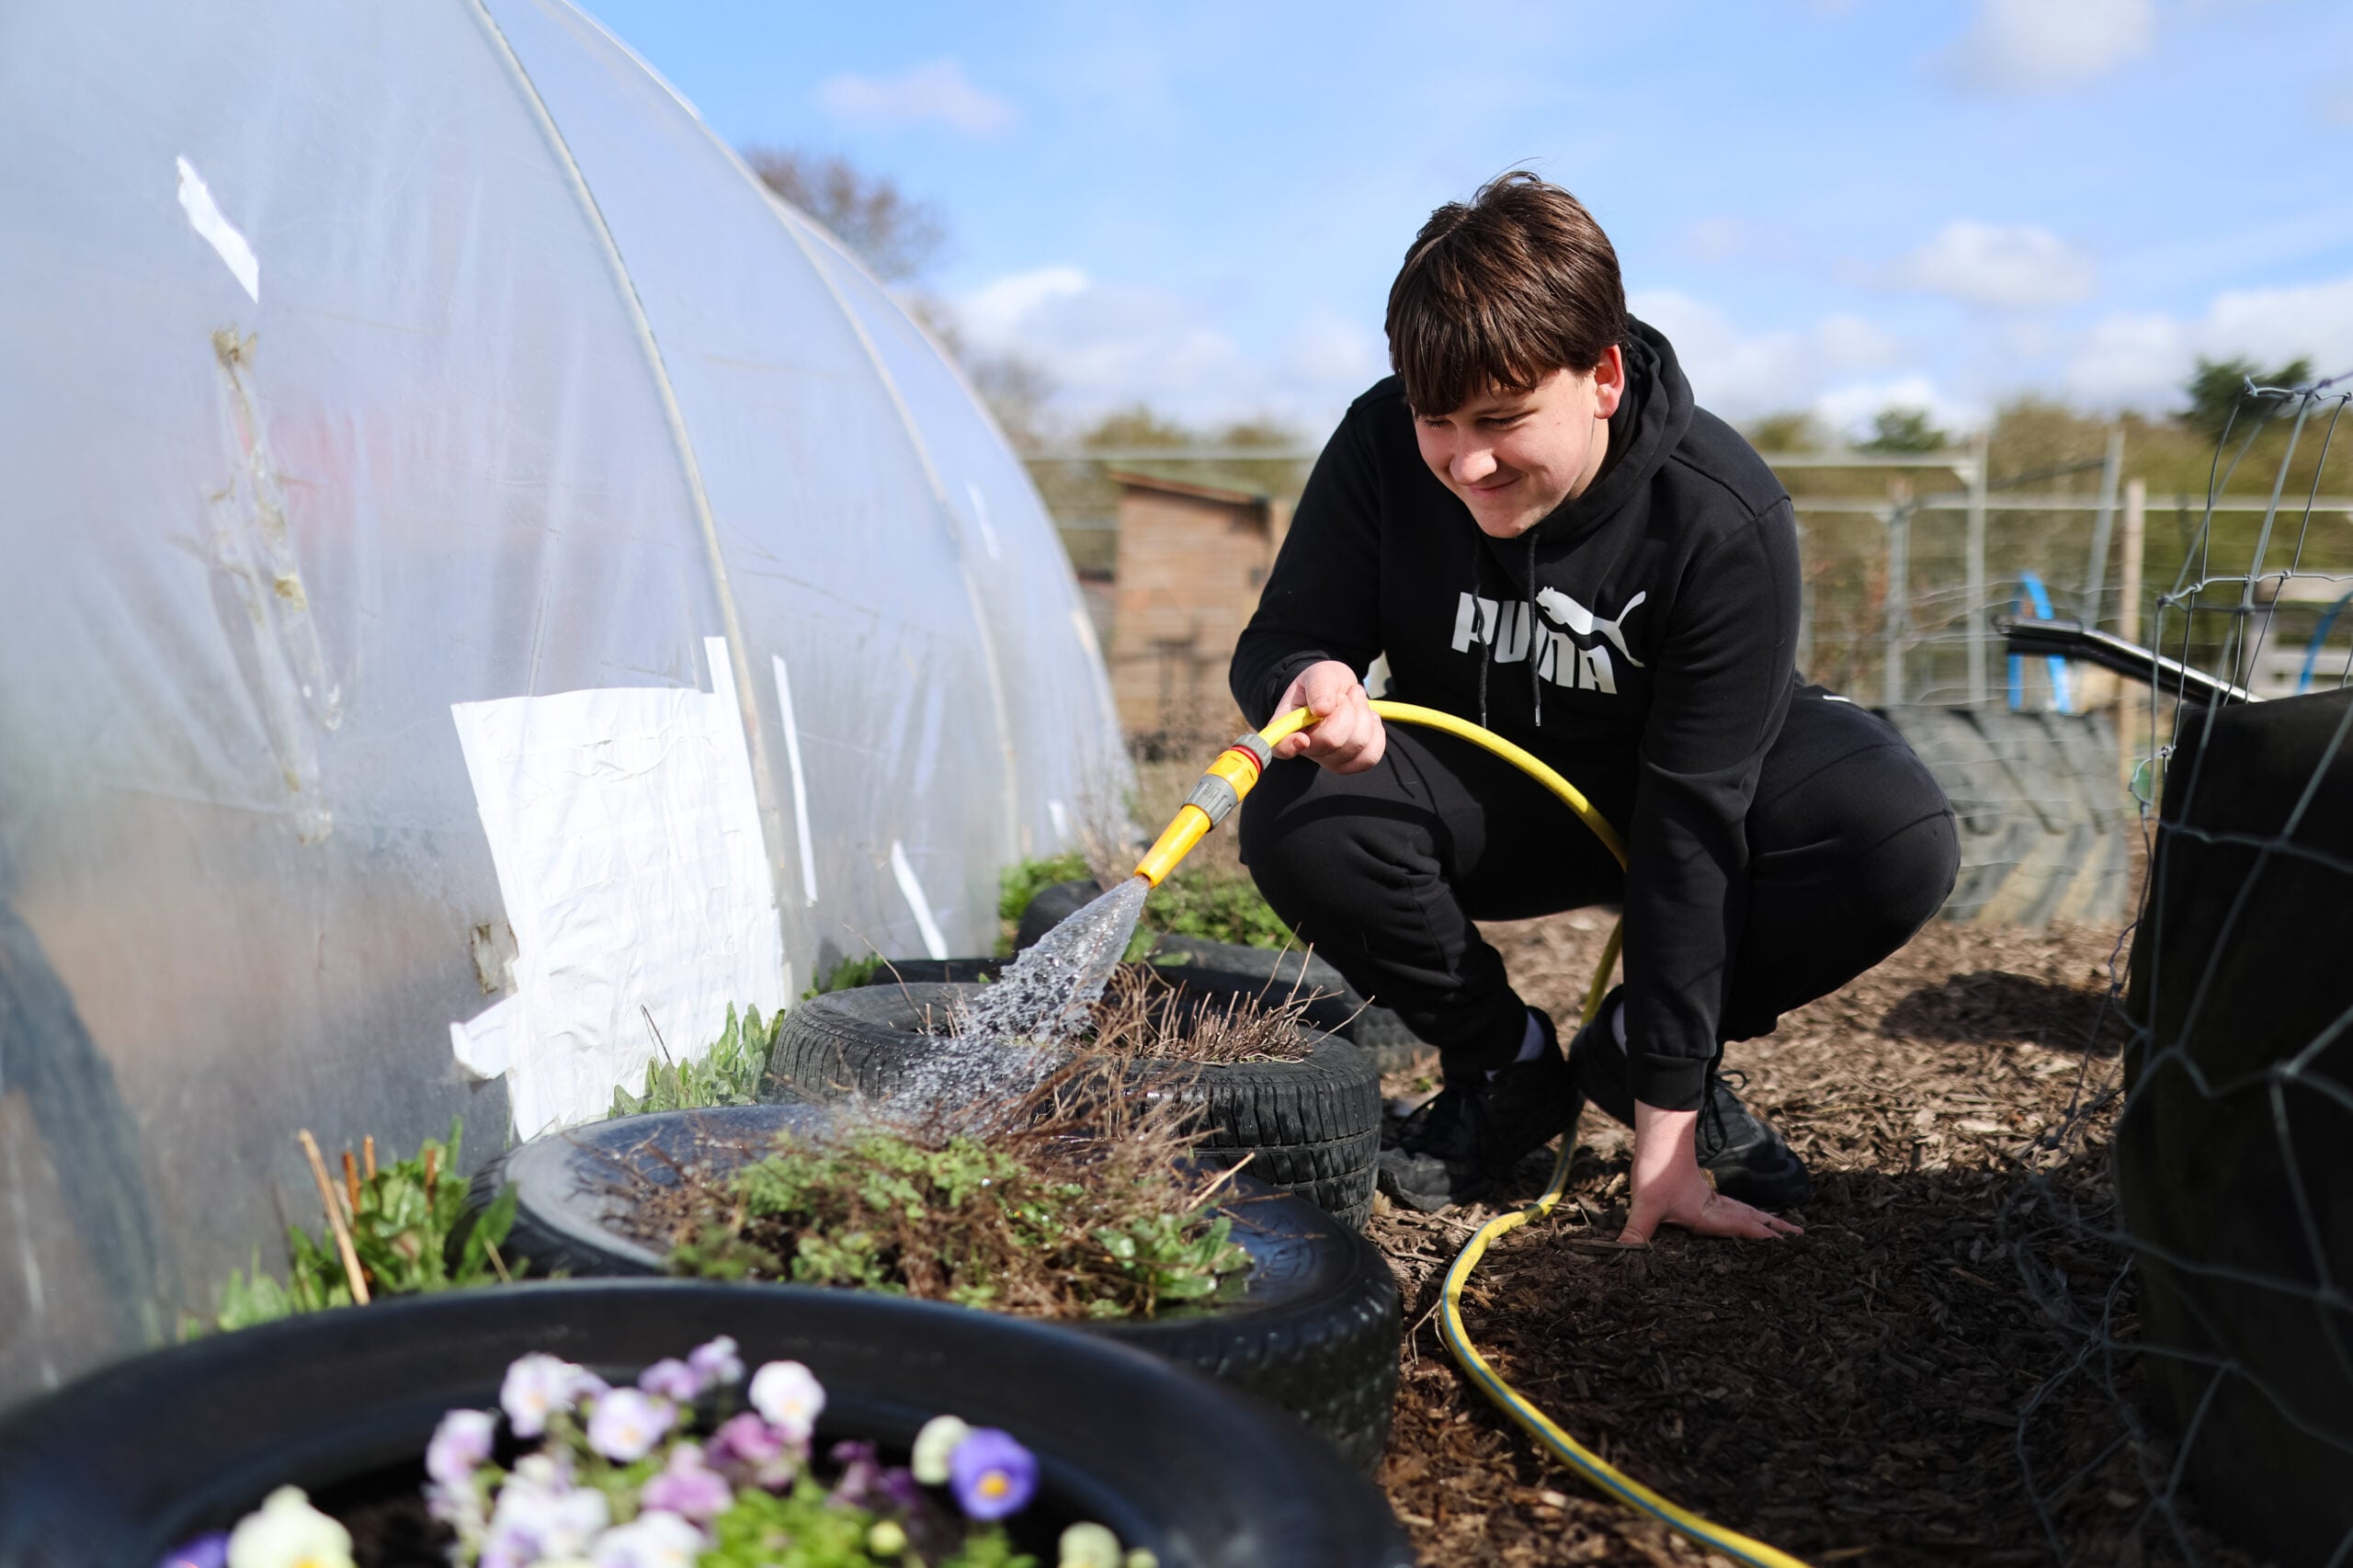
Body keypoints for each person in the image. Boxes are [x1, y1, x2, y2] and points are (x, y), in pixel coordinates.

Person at [1230, 173, 1959, 1243]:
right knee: (1300, 809)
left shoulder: (1718, 513)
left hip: (1685, 780)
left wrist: (1664, 1124)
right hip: (1493, 788)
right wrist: (1306, 678)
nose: (1466, 460)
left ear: (1602, 377)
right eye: (1437, 420)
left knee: (1891, 832)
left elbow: (1693, 823)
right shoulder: (1379, 443)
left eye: (1502, 419)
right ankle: (1503, 1067)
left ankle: (1638, 1055)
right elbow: (1283, 634)